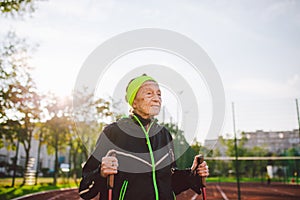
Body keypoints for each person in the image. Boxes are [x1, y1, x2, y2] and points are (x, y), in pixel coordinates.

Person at [79, 74, 209, 200]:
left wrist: (194, 173)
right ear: (134, 102)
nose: (156, 98)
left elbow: (168, 183)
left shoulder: (164, 135)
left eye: (159, 94)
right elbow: (85, 189)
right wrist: (101, 173)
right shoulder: (113, 133)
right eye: (149, 93)